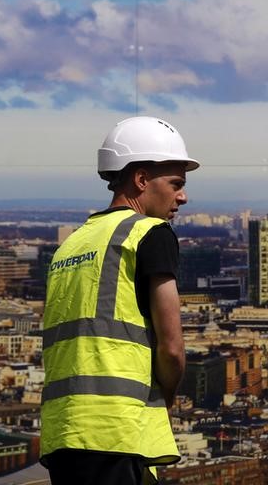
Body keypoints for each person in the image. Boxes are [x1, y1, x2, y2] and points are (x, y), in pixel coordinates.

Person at [40, 116, 199, 484]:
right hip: (118, 431)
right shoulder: (149, 233)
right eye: (176, 184)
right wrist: (168, 395)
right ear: (141, 180)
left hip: (62, 432)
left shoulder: (72, 244)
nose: (183, 197)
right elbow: (172, 348)